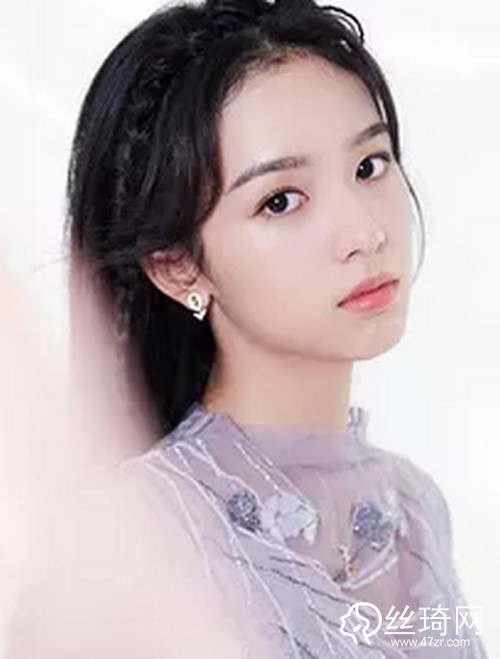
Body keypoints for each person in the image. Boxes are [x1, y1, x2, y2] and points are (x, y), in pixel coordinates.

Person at [3, 0, 490, 657]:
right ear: (176, 266)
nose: (365, 232)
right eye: (280, 200)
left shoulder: (413, 509)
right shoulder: (134, 533)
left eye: (369, 165)